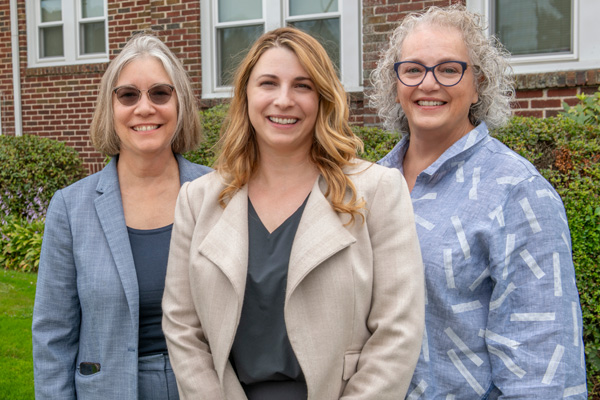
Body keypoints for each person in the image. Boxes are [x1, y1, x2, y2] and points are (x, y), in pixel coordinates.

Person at [161, 27, 425, 400]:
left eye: (302, 86)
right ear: (246, 96)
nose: (284, 100)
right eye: (268, 83)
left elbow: (398, 331)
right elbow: (182, 327)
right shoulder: (197, 200)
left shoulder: (378, 191)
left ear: (322, 98)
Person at [371, 4, 587, 399]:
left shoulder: (517, 192)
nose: (428, 83)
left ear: (478, 83)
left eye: (449, 69)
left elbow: (544, 372)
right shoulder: (369, 183)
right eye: (413, 69)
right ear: (395, 82)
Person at [32, 33, 211, 399]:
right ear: (110, 108)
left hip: (206, 387)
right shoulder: (71, 207)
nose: (144, 108)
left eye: (160, 93)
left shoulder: (218, 193)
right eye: (128, 95)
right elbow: (53, 336)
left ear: (181, 104)